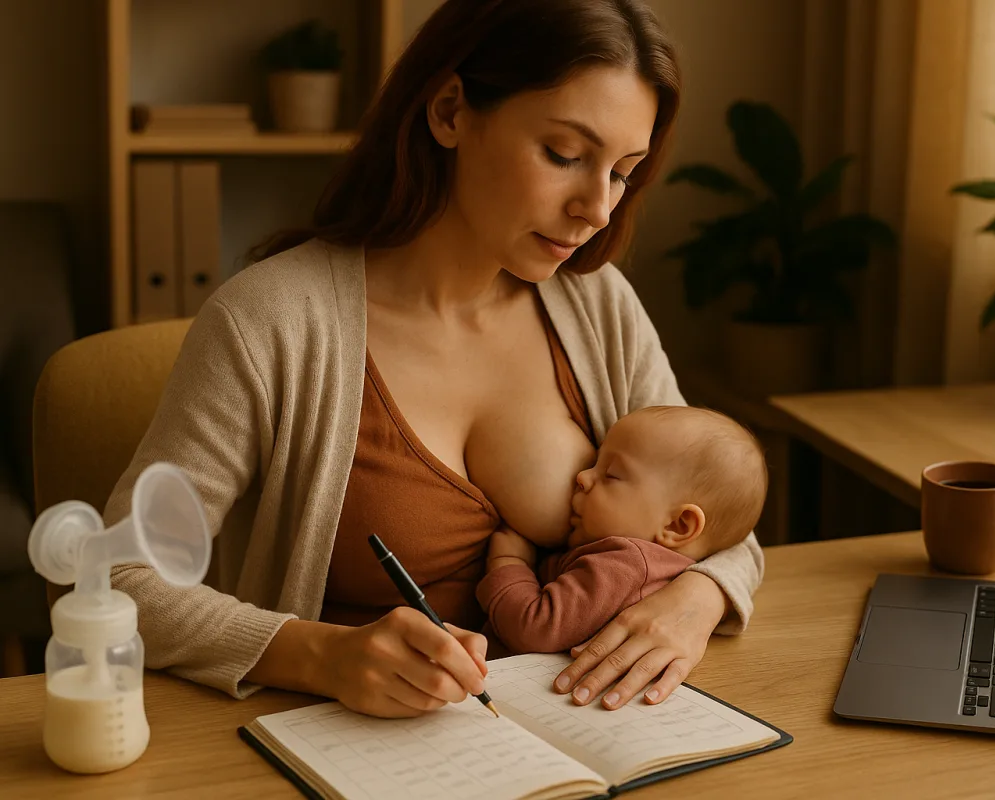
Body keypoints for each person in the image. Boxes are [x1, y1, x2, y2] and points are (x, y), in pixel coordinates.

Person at [103, 0, 764, 720]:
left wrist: (696, 600)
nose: (597, 209)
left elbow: (713, 510)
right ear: (450, 111)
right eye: (565, 155)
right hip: (352, 743)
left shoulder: (597, 304)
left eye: (622, 172)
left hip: (578, 727)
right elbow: (119, 576)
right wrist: (321, 656)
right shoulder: (268, 321)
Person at [478, 405, 768, 655]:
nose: (582, 476)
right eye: (594, 462)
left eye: (611, 474)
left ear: (676, 525)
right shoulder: (646, 565)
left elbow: (535, 629)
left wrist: (509, 562)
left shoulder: (624, 565)